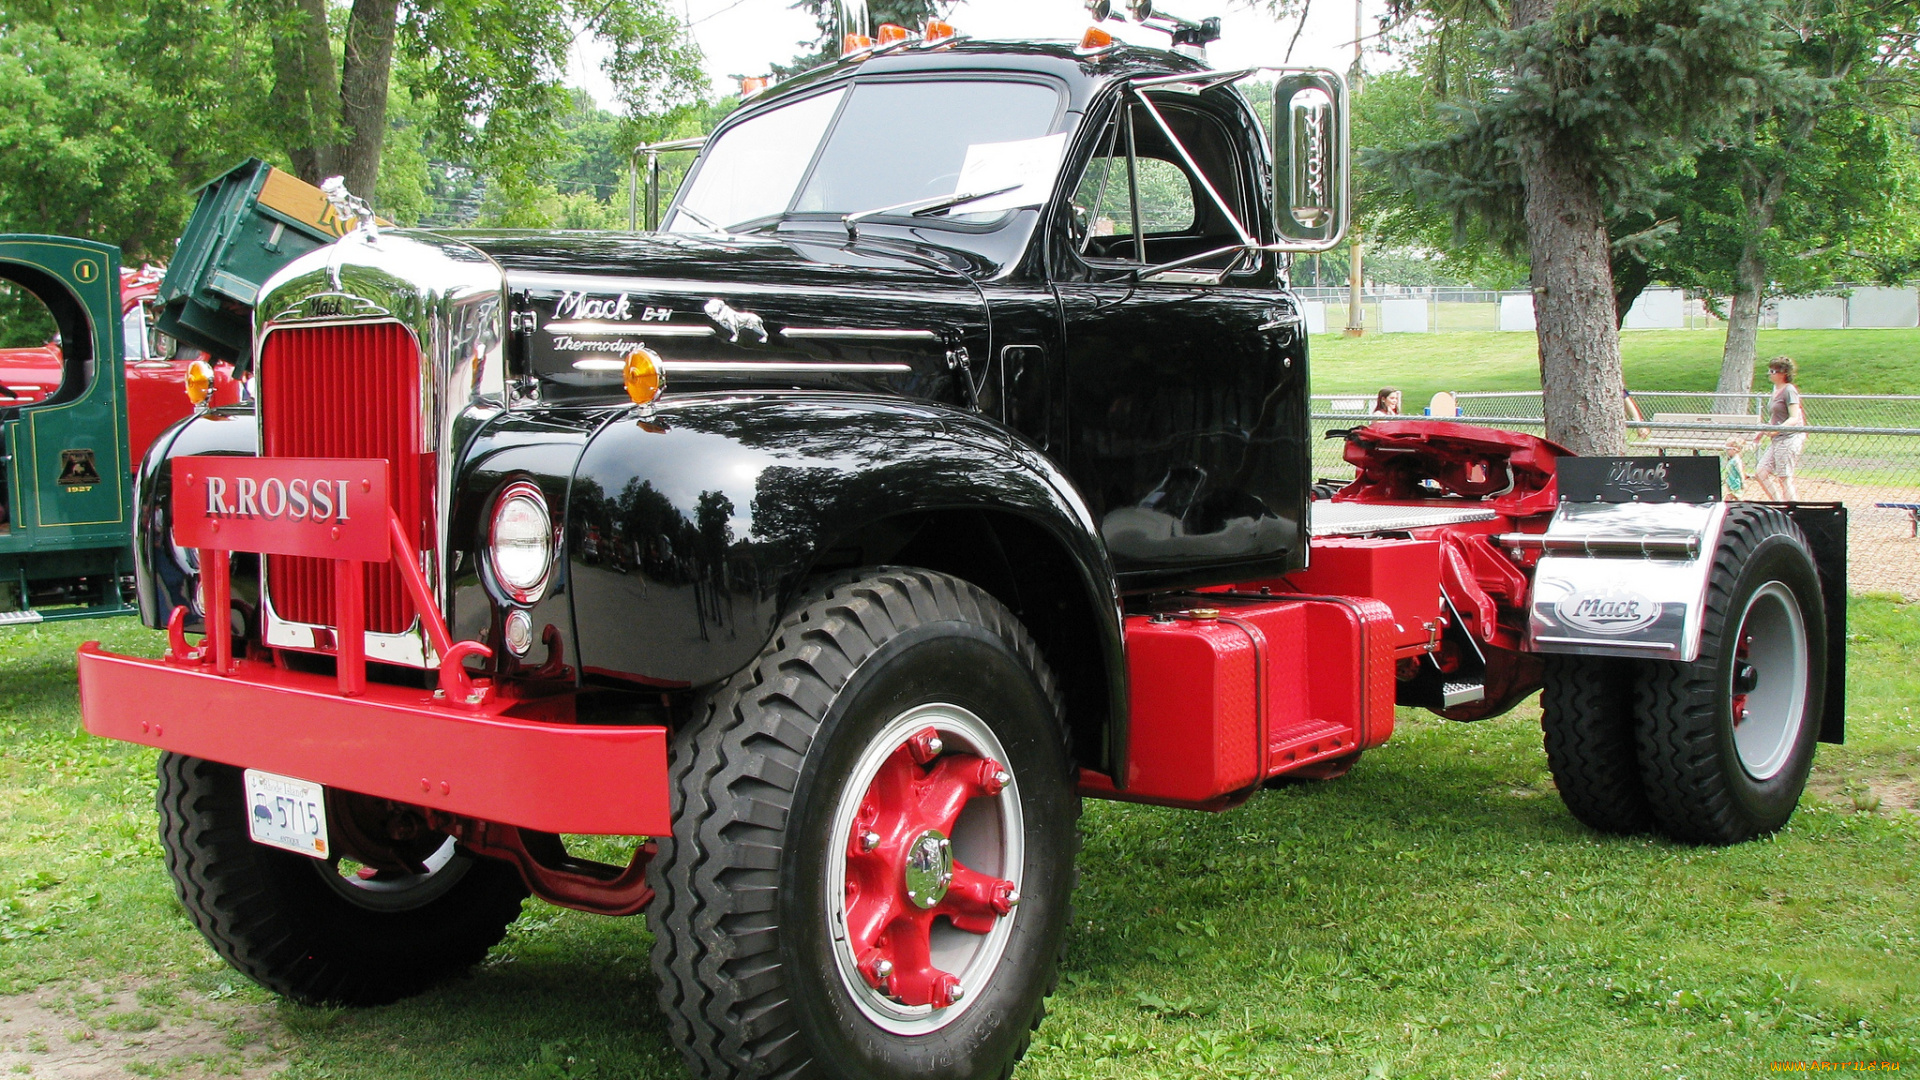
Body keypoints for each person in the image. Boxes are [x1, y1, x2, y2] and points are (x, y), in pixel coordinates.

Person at [1753, 356, 1806, 501]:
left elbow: (1794, 418)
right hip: (1777, 438)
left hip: (1789, 438)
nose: (1769, 374)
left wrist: (1777, 430)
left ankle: (1792, 509)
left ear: (1782, 373)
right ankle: (1778, 503)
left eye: (1773, 371)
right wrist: (1763, 432)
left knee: (1784, 477)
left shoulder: (1789, 390)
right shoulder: (1775, 389)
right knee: (1761, 472)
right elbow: (1776, 417)